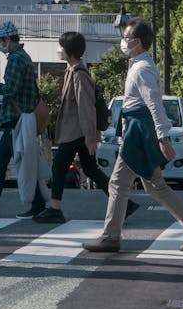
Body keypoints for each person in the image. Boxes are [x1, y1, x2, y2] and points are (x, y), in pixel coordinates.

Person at [83, 18, 183, 254]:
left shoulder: (141, 68)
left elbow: (154, 103)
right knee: (153, 185)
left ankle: (111, 236)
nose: (122, 41)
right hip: (137, 128)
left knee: (119, 182)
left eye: (126, 38)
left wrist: (163, 136)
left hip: (138, 130)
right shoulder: (139, 64)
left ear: (137, 42)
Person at [35, 31, 124, 223]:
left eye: (60, 47)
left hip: (76, 133)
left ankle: (55, 209)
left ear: (69, 51)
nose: (58, 50)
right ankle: (124, 204)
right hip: (78, 132)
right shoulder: (72, 71)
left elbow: (86, 108)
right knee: (91, 170)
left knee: (59, 167)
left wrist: (91, 137)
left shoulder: (79, 75)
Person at [0, 21, 46, 219]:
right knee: (24, 162)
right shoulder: (24, 57)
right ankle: (38, 204)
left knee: (1, 162)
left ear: (7, 39)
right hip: (21, 118)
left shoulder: (15, 59)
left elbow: (10, 90)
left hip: (15, 119)